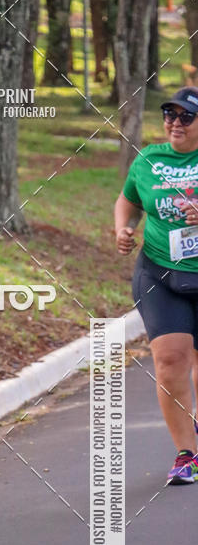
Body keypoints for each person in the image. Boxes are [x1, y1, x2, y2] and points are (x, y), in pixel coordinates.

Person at [115, 87, 198, 484]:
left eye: (186, 117)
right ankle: (186, 454)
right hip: (160, 270)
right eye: (170, 114)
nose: (175, 123)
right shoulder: (149, 159)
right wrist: (124, 227)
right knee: (169, 362)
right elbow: (127, 200)